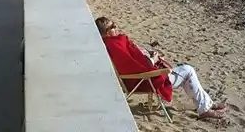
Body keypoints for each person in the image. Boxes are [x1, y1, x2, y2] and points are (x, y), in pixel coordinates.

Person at [95, 17, 226, 120]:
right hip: (147, 80)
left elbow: (134, 62)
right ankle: (204, 109)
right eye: (113, 26)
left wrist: (149, 56)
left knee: (185, 71)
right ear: (107, 32)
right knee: (188, 70)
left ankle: (207, 104)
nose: (116, 28)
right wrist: (155, 59)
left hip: (140, 78)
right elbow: (137, 66)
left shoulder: (109, 45)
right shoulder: (117, 44)